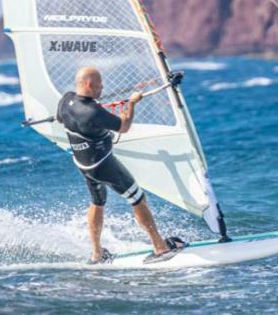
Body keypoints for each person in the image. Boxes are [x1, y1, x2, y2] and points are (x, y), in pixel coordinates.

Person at [56, 66, 185, 264]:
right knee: (137, 198)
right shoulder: (93, 112)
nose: (103, 87)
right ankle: (160, 247)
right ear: (89, 84)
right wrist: (132, 103)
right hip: (103, 165)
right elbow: (124, 126)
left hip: (83, 164)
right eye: (100, 84)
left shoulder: (66, 100)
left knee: (97, 202)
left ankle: (97, 253)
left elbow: (61, 118)